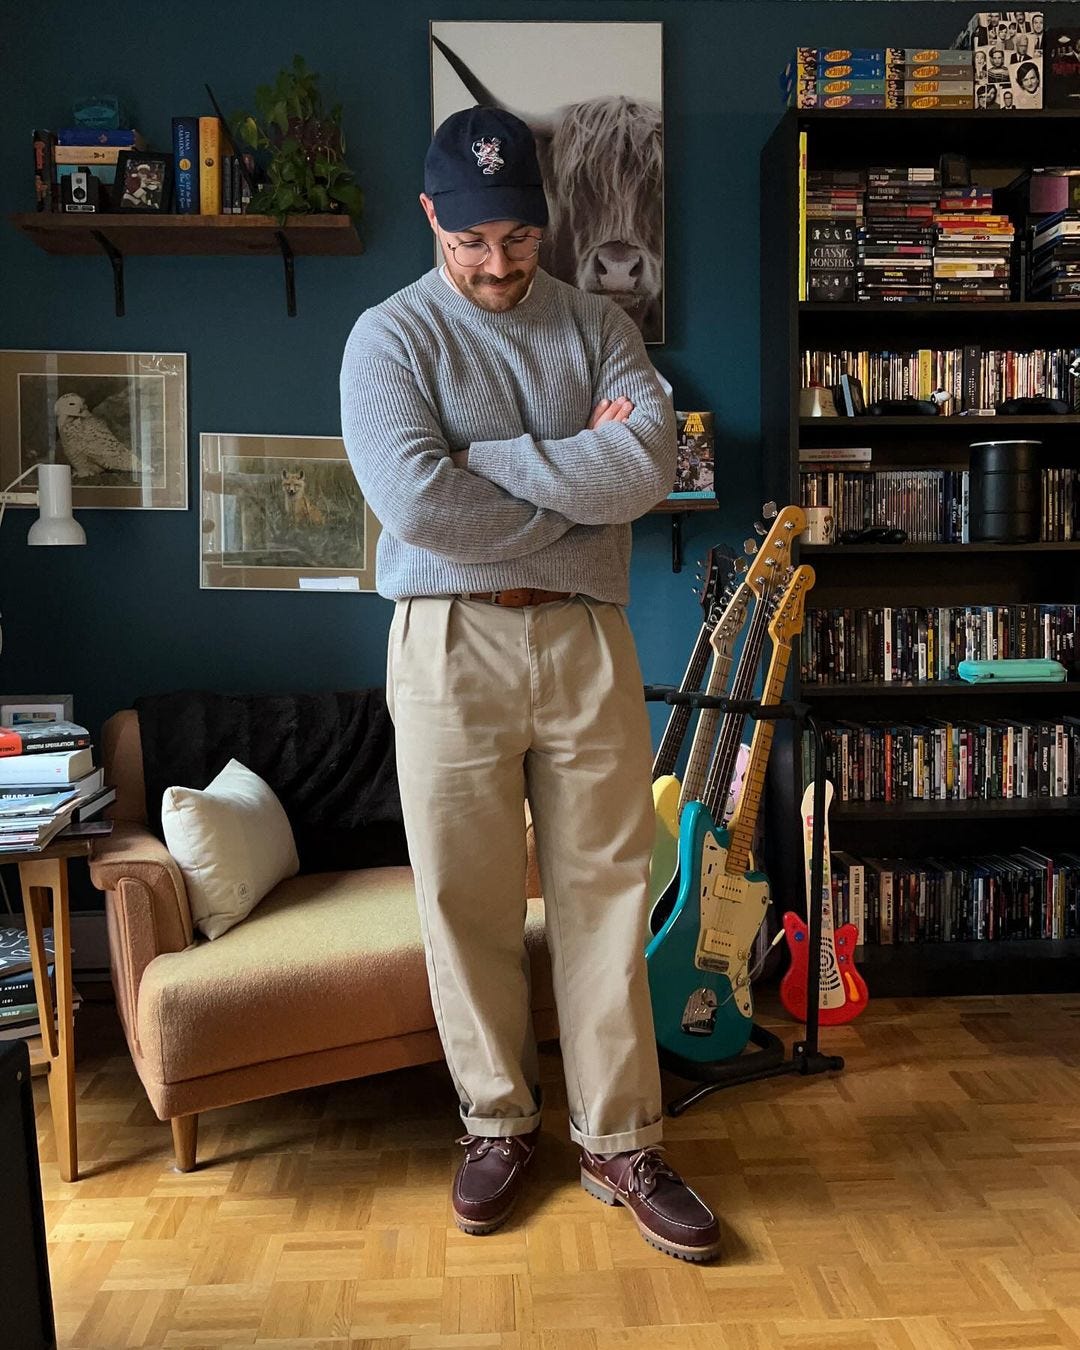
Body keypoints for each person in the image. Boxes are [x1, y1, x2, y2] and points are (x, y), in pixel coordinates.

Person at [339, 106, 721, 1263]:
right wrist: (569, 480)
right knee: (465, 895)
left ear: (545, 223)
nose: (498, 264)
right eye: (472, 242)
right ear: (430, 221)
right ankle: (498, 1123)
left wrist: (483, 470)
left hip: (589, 638)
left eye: (517, 237)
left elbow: (649, 463)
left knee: (607, 892)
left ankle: (619, 1141)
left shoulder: (603, 324)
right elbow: (413, 503)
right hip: (446, 641)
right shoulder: (387, 338)